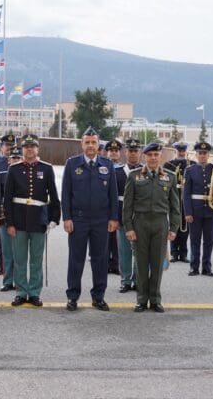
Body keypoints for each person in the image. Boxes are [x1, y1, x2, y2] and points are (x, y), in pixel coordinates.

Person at [62, 126, 119, 312]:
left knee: (100, 260)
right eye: (87, 142)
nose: (90, 146)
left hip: (101, 221)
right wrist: (67, 218)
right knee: (75, 259)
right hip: (78, 220)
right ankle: (72, 296)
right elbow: (66, 194)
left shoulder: (107, 165)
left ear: (98, 144)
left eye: (94, 142)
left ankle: (98, 296)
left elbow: (113, 195)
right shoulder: (72, 164)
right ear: (82, 144)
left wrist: (113, 218)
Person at [123, 143, 180, 313]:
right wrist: (129, 228)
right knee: (141, 265)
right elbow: (127, 205)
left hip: (160, 224)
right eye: (150, 155)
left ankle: (155, 299)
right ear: (144, 157)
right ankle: (141, 299)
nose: (153, 158)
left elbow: (175, 206)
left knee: (157, 264)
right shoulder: (134, 176)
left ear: (160, 156)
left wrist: (174, 228)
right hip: (140, 223)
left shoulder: (169, 177)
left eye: (156, 154)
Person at [4, 135, 60, 306]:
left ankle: (34, 292)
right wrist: (10, 223)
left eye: (32, 146)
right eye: (26, 146)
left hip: (38, 221)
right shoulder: (14, 169)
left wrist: (54, 218)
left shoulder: (47, 169)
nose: (29, 149)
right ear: (22, 149)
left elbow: (54, 196)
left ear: (37, 149)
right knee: (20, 258)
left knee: (36, 259)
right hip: (19, 220)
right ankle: (21, 292)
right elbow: (7, 199)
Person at [183, 141, 213, 277]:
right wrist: (188, 212)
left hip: (210, 209)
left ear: (208, 154)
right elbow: (186, 194)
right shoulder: (190, 170)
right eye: (200, 153)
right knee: (195, 240)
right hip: (195, 209)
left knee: (209, 240)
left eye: (205, 153)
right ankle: (194, 267)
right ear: (196, 155)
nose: (202, 155)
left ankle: (207, 267)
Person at [163, 141, 194, 262]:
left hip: (186, 198)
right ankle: (174, 253)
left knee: (185, 227)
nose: (181, 152)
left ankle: (184, 253)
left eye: (183, 150)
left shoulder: (191, 164)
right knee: (174, 224)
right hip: (174, 196)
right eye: (179, 150)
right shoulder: (168, 165)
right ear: (176, 151)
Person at [118, 139, 143, 292]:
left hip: (140, 216)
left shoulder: (145, 171)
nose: (133, 154)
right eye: (130, 151)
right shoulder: (117, 172)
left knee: (139, 250)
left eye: (135, 151)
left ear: (139, 153)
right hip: (123, 216)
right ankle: (126, 280)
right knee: (125, 250)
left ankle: (138, 280)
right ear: (125, 152)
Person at [0, 145, 23, 292]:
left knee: (19, 252)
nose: (15, 160)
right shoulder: (1, 175)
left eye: (18, 158)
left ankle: (19, 281)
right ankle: (7, 281)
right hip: (5, 217)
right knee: (7, 251)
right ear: (8, 160)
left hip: (21, 218)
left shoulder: (26, 175)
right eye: (13, 158)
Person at [0, 134, 16, 275]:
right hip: (1, 207)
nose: (9, 148)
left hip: (17, 207)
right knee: (1, 238)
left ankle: (13, 270)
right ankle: (1, 265)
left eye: (12, 145)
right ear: (1, 147)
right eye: (7, 145)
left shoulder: (19, 160)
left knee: (15, 240)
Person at [104, 140, 123, 276]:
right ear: (107, 152)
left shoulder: (123, 168)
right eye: (111, 151)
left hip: (119, 206)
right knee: (105, 238)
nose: (114, 153)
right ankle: (104, 263)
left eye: (116, 151)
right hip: (105, 207)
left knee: (116, 238)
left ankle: (116, 263)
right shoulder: (102, 167)